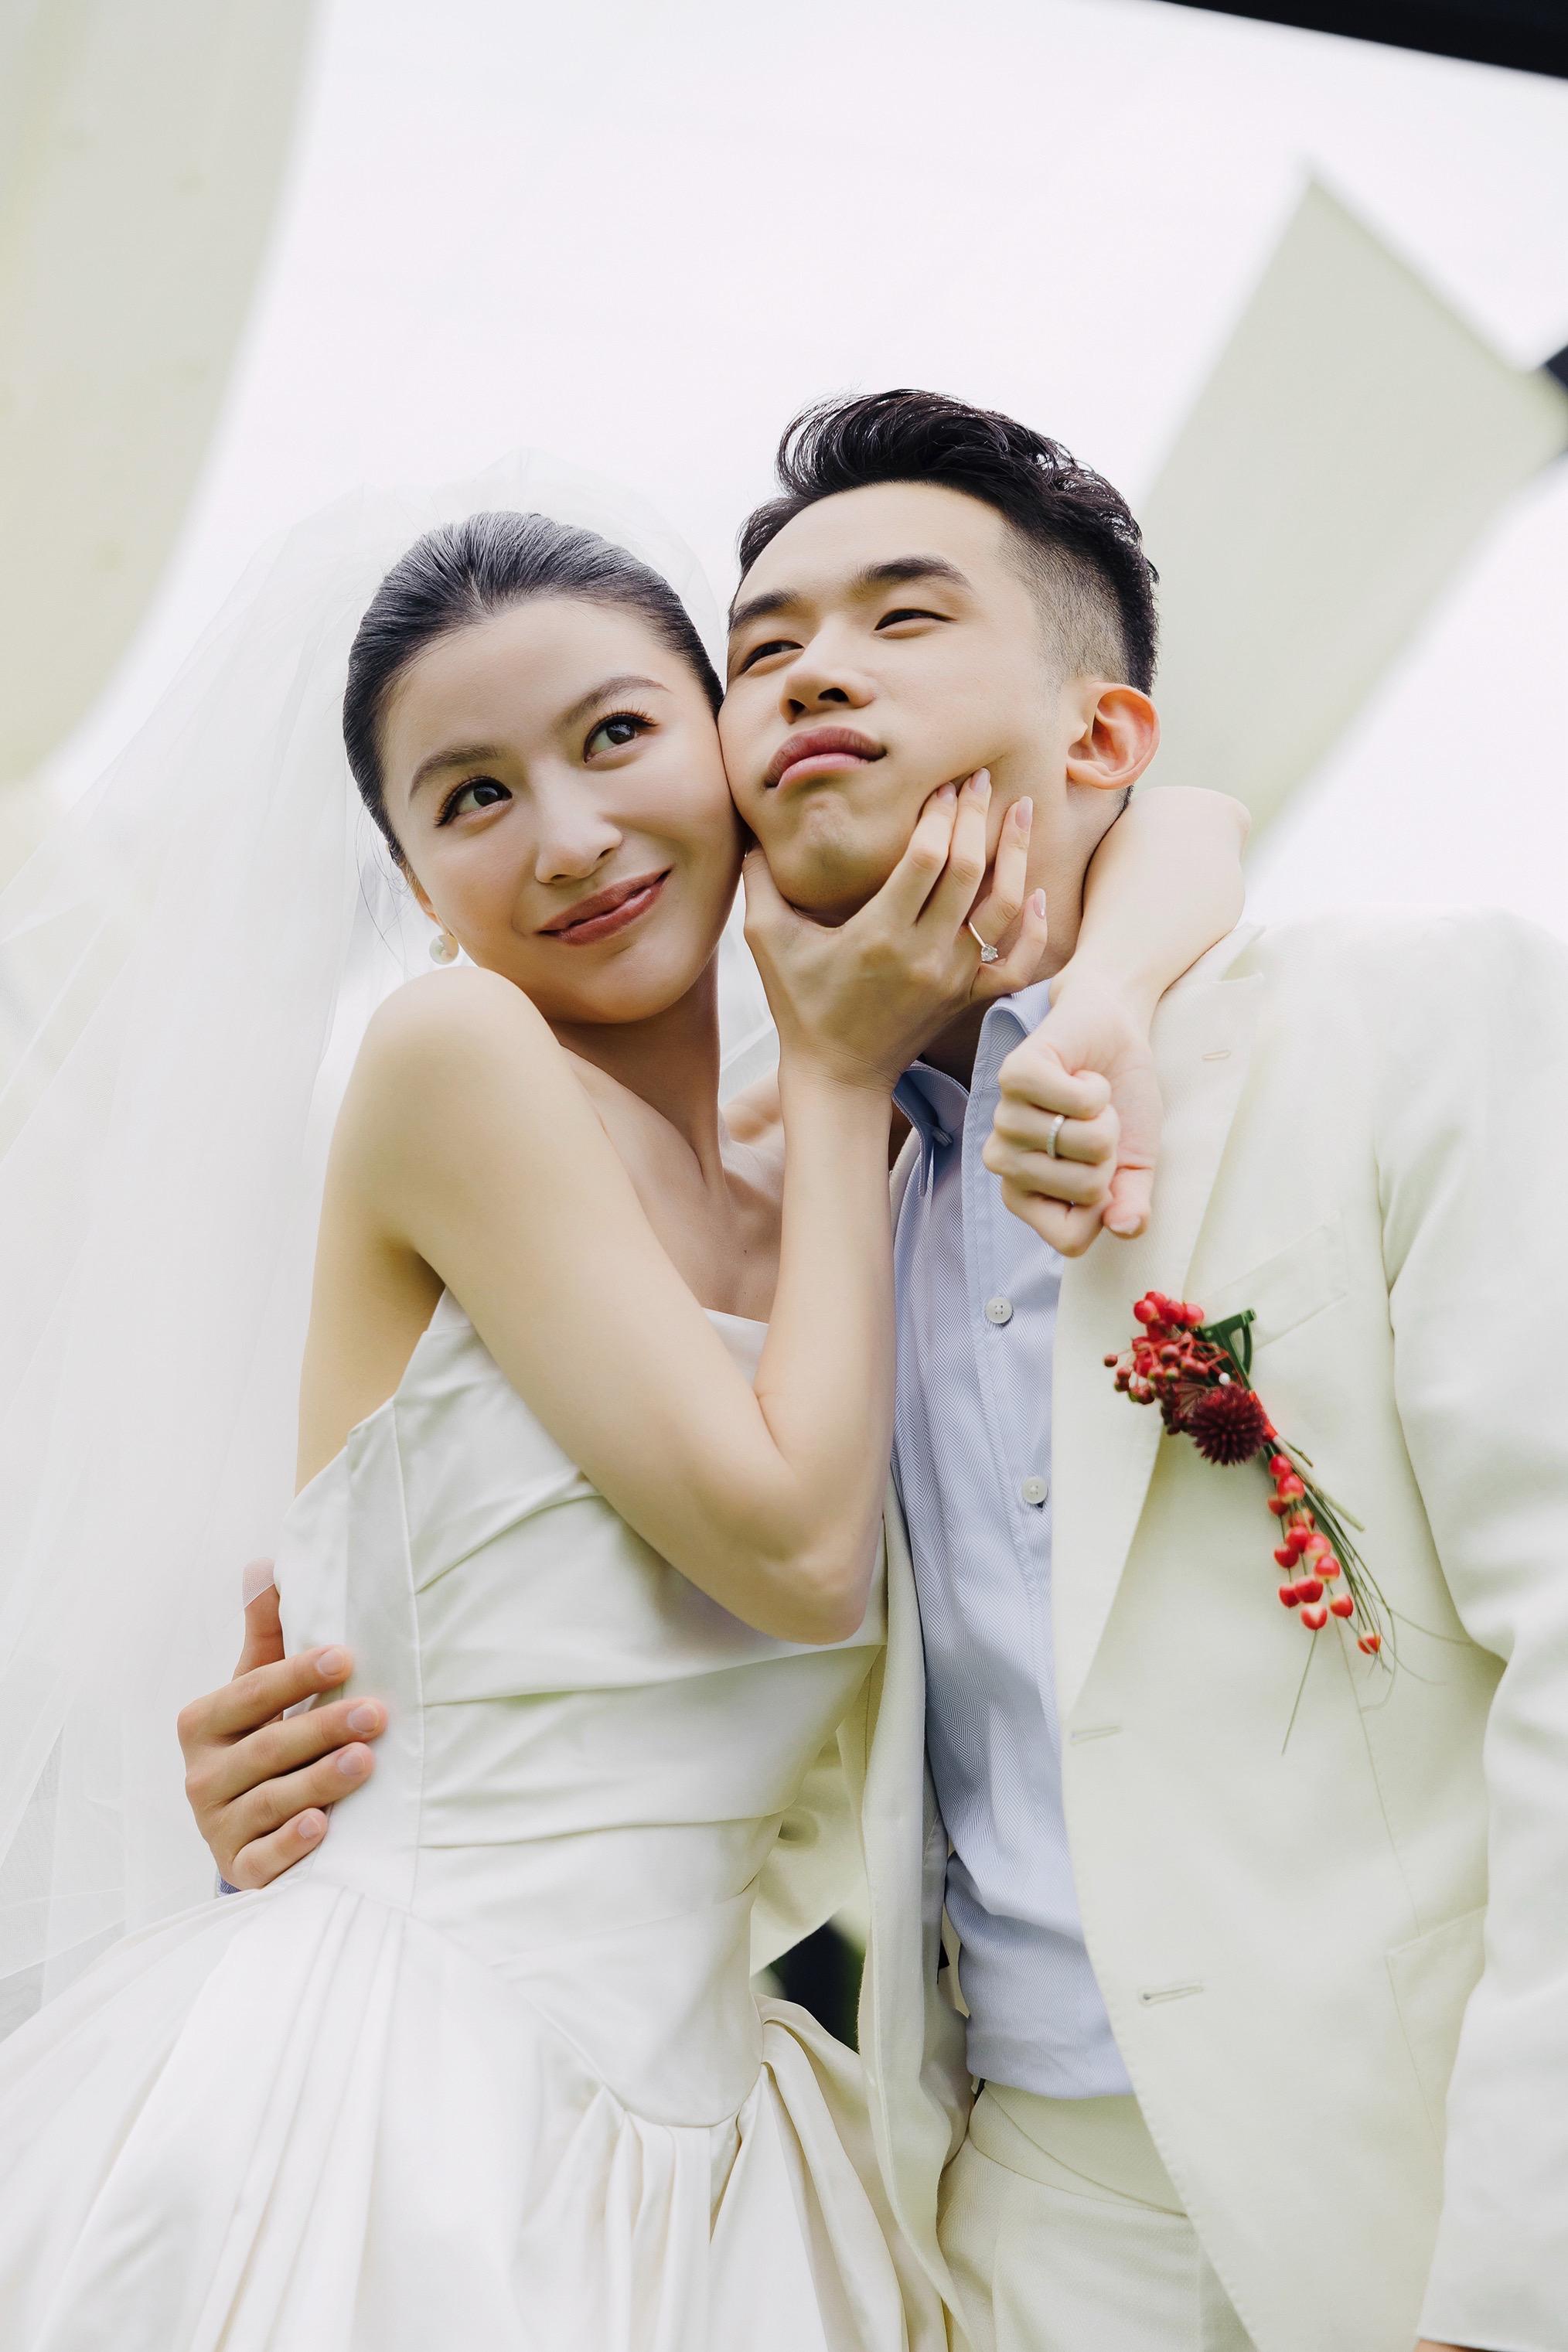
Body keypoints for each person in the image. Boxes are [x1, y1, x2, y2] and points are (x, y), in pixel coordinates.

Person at [193, 391, 1568, 2352]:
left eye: (904, 619)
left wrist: (1519, 2279)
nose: (819, 670)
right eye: (765, 651)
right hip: (985, 2214)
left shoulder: (1395, 1030)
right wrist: (348, 1795)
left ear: (1097, 733)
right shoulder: (843, 1188)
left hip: (1408, 2184)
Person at [0, 484, 1244, 2346]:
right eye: (472, 798)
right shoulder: (457, 1062)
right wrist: (835, 1071)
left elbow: (1187, 820)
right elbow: (800, 1556)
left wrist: (1112, 990)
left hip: (717, 2126)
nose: (571, 838)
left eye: (615, 737)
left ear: (731, 757)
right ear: (415, 887)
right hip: (408, 2079)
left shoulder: (813, 1180)